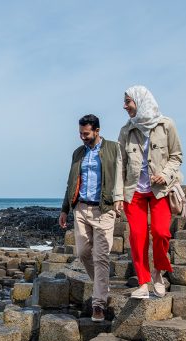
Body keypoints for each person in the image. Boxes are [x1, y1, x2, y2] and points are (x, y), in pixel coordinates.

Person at [119, 85, 183, 300]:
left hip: (160, 190)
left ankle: (158, 273)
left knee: (161, 232)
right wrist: (118, 195)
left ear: (140, 100)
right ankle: (143, 282)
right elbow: (121, 164)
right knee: (137, 237)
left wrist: (165, 174)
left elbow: (177, 156)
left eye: (128, 101)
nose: (125, 105)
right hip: (134, 191)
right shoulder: (126, 130)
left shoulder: (167, 125)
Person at [58, 114, 123, 322]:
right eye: (80, 134)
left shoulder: (113, 148)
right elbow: (71, 182)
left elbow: (124, 174)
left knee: (101, 257)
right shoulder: (78, 153)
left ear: (97, 131)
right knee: (84, 253)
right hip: (81, 208)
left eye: (86, 134)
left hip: (104, 209)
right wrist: (65, 209)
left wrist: (122, 199)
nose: (83, 137)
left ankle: (99, 304)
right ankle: (101, 285)